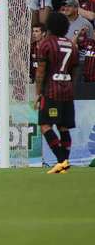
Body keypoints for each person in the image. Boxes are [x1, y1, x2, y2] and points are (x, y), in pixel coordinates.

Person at [34, 12, 77, 174]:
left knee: (45, 125)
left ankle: (61, 161)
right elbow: (73, 71)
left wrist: (38, 93)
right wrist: (67, 84)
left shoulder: (46, 44)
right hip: (67, 91)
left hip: (51, 91)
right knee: (64, 127)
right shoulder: (71, 45)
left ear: (50, 26)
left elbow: (40, 72)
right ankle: (63, 165)